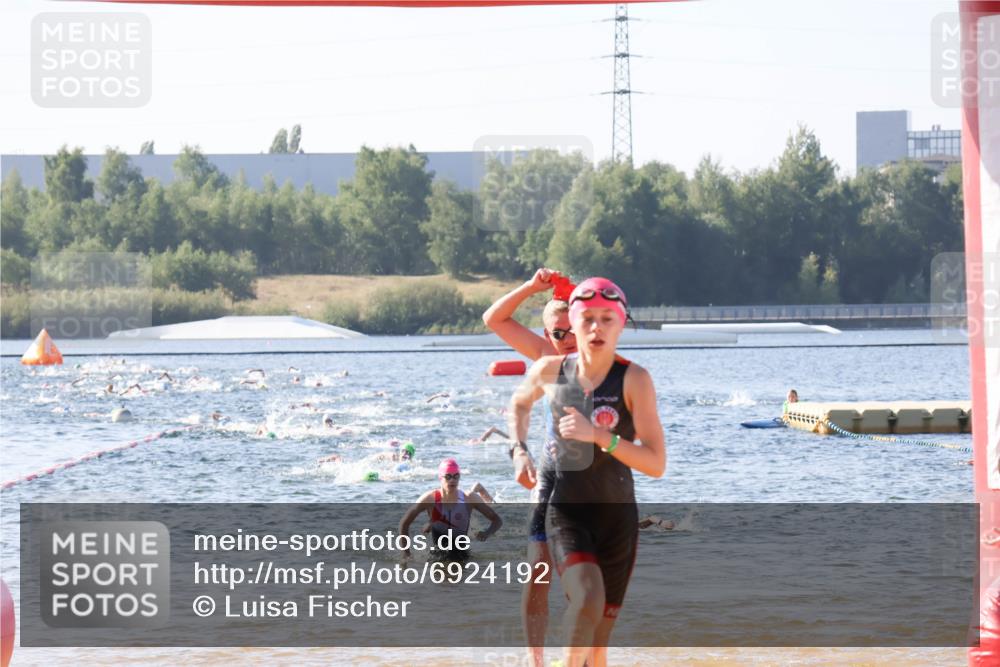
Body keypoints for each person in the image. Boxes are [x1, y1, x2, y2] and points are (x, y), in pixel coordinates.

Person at [508, 277, 666, 667]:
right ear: (572, 325)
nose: (597, 328)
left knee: (598, 646)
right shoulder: (550, 369)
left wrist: (601, 436)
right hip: (568, 511)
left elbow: (656, 463)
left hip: (617, 519)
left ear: (621, 324)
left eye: (606, 319)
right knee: (586, 598)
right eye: (588, 319)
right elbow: (518, 404)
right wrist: (518, 450)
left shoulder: (635, 380)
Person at [483, 267, 578, 667]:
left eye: (572, 329)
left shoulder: (603, 357)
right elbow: (494, 319)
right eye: (557, 333)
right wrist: (531, 287)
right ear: (546, 337)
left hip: (593, 484)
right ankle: (535, 660)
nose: (567, 340)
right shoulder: (545, 358)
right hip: (551, 474)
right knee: (539, 569)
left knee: (580, 579)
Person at [398, 459, 502, 563]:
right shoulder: (429, 499)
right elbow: (404, 523)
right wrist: (406, 555)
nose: (452, 480)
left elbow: (497, 520)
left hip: (462, 556)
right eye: (448, 476)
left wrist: (487, 533)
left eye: (456, 476)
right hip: (437, 558)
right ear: (440, 478)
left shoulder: (469, 498)